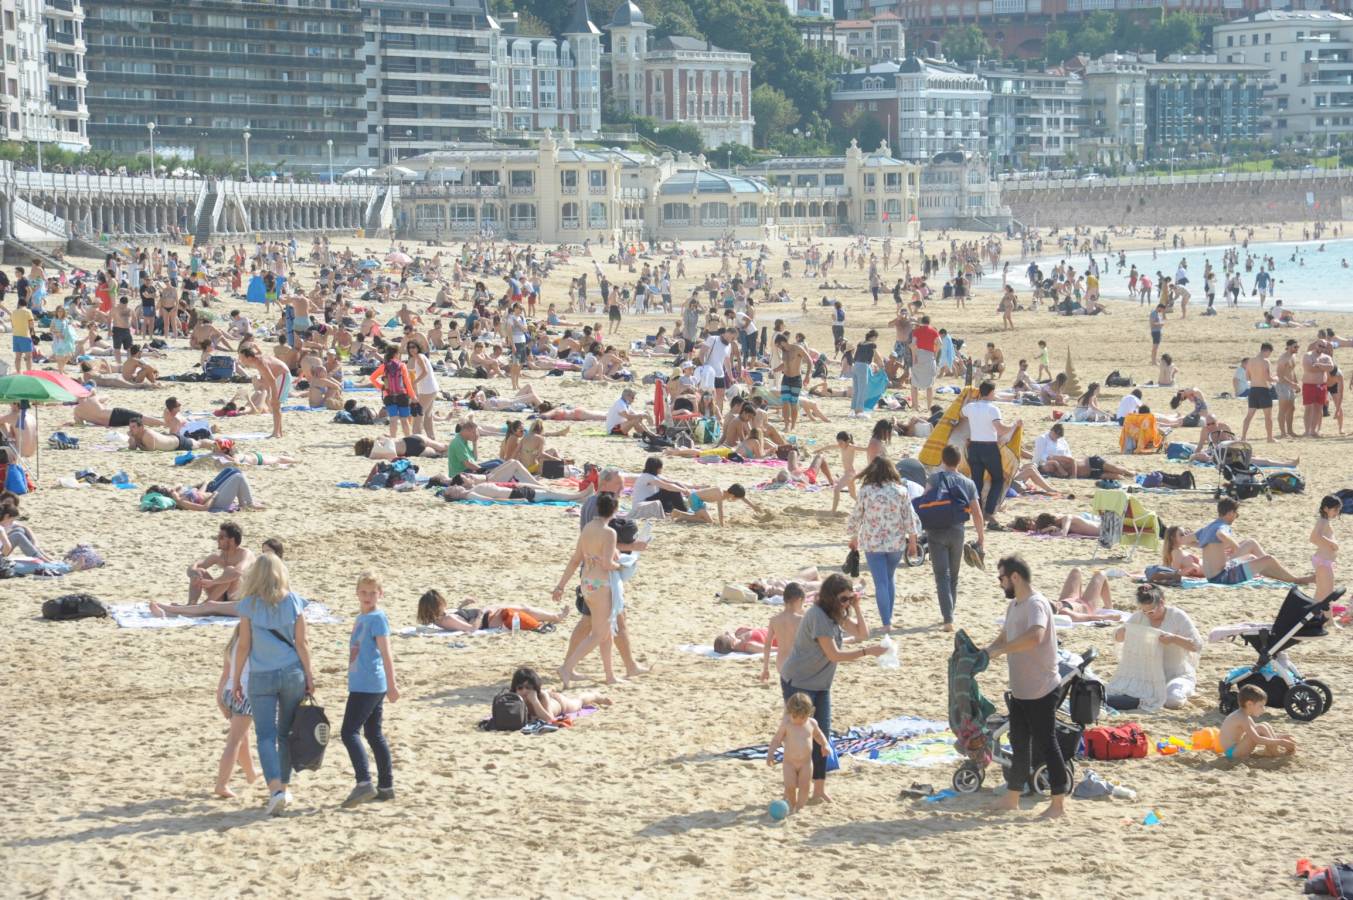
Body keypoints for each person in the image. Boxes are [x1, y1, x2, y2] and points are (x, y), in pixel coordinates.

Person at [777, 573, 886, 803]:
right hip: (798, 681)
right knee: (802, 735)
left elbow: (863, 633)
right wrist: (867, 652)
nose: (846, 602)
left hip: (821, 683)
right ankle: (792, 788)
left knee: (822, 735)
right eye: (843, 598)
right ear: (830, 597)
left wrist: (855, 607)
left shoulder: (837, 613)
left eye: (850, 598)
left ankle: (819, 789)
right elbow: (834, 654)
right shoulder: (818, 615)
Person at [232, 555, 314, 816]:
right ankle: (285, 786)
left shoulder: (249, 606)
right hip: (292, 672)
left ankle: (276, 789)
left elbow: (244, 645)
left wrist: (235, 678)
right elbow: (302, 644)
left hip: (262, 674)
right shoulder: (293, 601)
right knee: (286, 733)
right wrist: (310, 675)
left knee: (266, 735)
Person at [552, 492, 623, 687]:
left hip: (587, 583)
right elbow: (608, 564)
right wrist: (622, 565)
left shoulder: (588, 528)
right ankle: (567, 667)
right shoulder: (609, 533)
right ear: (614, 511)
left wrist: (561, 585)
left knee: (606, 631)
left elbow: (576, 559)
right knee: (599, 634)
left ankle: (610, 675)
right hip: (601, 585)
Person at [340, 572, 398, 808]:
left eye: (372, 592)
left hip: (370, 685)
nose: (367, 596)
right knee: (373, 734)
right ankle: (386, 786)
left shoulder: (377, 618)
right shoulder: (361, 618)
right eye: (363, 592)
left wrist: (392, 685)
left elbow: (386, 653)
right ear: (356, 593)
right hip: (362, 683)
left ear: (380, 594)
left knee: (348, 732)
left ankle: (364, 782)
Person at [846, 457, 919, 632]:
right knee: (889, 578)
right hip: (896, 543)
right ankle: (889, 618)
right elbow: (910, 518)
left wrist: (853, 536)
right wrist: (913, 542)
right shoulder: (901, 491)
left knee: (881, 583)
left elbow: (856, 516)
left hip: (873, 543)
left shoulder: (866, 491)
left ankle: (886, 623)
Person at [921, 444, 984, 631]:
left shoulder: (933, 478)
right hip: (957, 531)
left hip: (935, 531)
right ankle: (950, 614)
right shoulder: (968, 483)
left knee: (942, 576)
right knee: (953, 577)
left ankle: (947, 618)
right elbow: (977, 513)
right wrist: (981, 537)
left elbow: (925, 503)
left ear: (943, 459)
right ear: (960, 461)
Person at [1112, 584, 1202, 709]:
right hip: (1148, 677)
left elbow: (1197, 645)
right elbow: (1118, 637)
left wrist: (1174, 639)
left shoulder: (1177, 616)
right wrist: (1123, 632)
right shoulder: (1139, 617)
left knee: (1173, 700)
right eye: (1144, 611)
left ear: (1162, 603)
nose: (1148, 614)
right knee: (1119, 692)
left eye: (1151, 611)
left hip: (1176, 675)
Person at [1195, 498, 1312, 586]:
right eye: (1236, 514)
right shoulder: (1222, 526)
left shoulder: (1209, 527)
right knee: (1268, 559)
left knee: (1252, 553)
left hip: (1215, 575)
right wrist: (1234, 546)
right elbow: (1220, 534)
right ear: (1230, 513)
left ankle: (1274, 569)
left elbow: (1185, 540)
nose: (1236, 517)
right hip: (1223, 578)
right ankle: (1296, 580)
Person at [963, 380, 1018, 521]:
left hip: (974, 448)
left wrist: (969, 397)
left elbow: (962, 411)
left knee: (976, 482)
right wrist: (1014, 426)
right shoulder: (993, 409)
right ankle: (989, 511)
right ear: (992, 392)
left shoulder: (970, 407)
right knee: (998, 479)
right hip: (989, 447)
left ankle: (977, 512)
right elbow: (1000, 429)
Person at [767, 692, 830, 815]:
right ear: (789, 713)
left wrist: (824, 744)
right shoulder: (786, 724)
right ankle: (793, 804)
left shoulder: (812, 723)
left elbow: (818, 735)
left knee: (805, 786)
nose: (799, 720)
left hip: (806, 763)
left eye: (803, 717)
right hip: (789, 763)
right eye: (795, 717)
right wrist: (770, 753)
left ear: (809, 713)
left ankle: (799, 808)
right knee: (790, 786)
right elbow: (776, 739)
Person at [214, 624, 259, 798]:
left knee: (243, 737)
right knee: (235, 741)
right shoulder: (252, 645)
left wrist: (219, 700)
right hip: (244, 694)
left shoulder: (232, 646)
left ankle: (251, 773)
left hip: (228, 692)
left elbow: (225, 674)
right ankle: (222, 784)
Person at [417, 590, 569, 632]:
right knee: (522, 609)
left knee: (523, 607)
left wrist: (462, 605)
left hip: (485, 616)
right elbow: (471, 628)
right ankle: (556, 617)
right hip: (486, 620)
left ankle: (554, 616)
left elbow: (460, 618)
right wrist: (483, 612)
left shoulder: (441, 618)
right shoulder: (445, 620)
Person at [1218, 684, 1296, 760]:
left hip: (1235, 749)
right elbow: (1257, 739)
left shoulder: (1244, 716)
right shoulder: (1241, 718)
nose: (1263, 709)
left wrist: (1281, 737)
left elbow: (1259, 733)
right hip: (1232, 753)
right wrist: (1280, 741)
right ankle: (1274, 753)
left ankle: (1271, 751)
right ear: (1249, 704)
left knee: (1263, 725)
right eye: (1261, 706)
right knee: (1260, 728)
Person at [510, 667, 611, 723]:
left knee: (578, 702)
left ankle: (595, 696)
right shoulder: (515, 698)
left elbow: (549, 719)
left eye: (528, 687)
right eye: (520, 688)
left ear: (534, 688)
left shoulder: (541, 696)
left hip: (560, 703)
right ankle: (551, 690)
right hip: (549, 697)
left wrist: (535, 701)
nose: (524, 691)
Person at [187, 521, 255, 604]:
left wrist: (212, 582)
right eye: (218, 537)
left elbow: (237, 573)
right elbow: (196, 565)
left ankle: (205, 604)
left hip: (239, 596)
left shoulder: (245, 554)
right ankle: (191, 603)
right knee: (198, 572)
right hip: (222, 595)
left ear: (231, 540)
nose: (217, 540)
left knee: (230, 570)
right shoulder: (218, 556)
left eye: (221, 537)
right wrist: (194, 571)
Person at [759, 582, 806, 683]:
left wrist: (765, 668)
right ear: (799, 600)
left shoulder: (774, 620)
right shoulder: (801, 620)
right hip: (796, 664)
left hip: (780, 665)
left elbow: (767, 645)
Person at [1241, 343, 1276, 443]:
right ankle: (1269, 438)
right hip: (1263, 390)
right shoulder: (1265, 361)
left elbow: (1247, 377)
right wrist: (1275, 379)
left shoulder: (1250, 361)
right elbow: (1267, 378)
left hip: (1253, 390)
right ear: (1267, 351)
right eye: (1270, 353)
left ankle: (1243, 437)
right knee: (1268, 416)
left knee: (1249, 416)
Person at [1311, 494, 1341, 606]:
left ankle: (1310, 616)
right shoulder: (1323, 521)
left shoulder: (1324, 520)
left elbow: (1316, 537)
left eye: (1338, 510)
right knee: (1328, 595)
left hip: (1323, 560)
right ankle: (1329, 621)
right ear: (1326, 508)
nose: (1337, 512)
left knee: (1320, 593)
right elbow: (1313, 537)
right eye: (1335, 509)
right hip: (1324, 562)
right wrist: (1333, 544)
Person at [850, 330, 883, 417]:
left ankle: (853, 410)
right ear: (873, 337)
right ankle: (859, 411)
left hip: (855, 365)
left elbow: (855, 356)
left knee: (856, 389)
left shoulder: (860, 343)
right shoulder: (872, 344)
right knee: (862, 389)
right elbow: (877, 356)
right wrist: (882, 365)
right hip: (863, 366)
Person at [10, 296, 34, 372]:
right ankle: (29, 372)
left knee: (18, 357)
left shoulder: (13, 312)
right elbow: (31, 324)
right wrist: (32, 333)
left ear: (18, 304)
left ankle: (18, 372)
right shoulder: (28, 311)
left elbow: (12, 325)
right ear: (26, 304)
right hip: (25, 336)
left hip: (15, 336)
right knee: (29, 356)